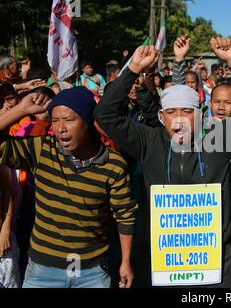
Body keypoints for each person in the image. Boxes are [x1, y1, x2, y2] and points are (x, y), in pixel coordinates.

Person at [94, 39, 231, 287]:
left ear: (199, 114)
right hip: (166, 264)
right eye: (171, 112)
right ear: (161, 116)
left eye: (186, 111)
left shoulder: (217, 140)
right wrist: (132, 68)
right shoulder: (148, 141)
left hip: (216, 265)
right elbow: (105, 114)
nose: (179, 120)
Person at [0, 87, 137, 288]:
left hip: (92, 273)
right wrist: (21, 109)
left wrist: (126, 262)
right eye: (55, 121)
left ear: (88, 121)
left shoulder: (113, 164)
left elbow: (125, 215)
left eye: (69, 120)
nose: (60, 128)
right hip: (42, 271)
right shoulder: (42, 149)